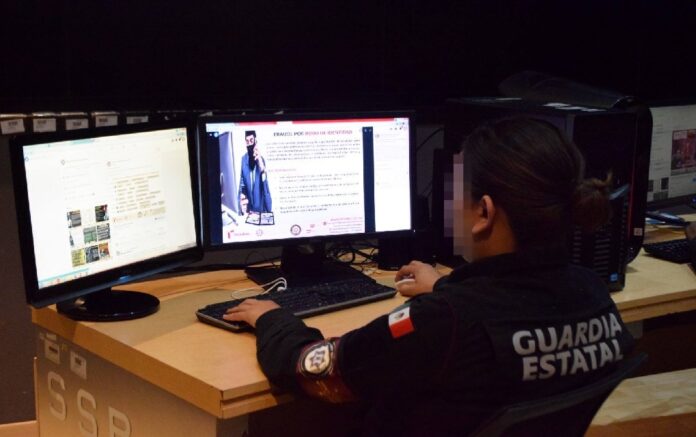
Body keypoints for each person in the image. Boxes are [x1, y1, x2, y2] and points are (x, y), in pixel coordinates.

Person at [224, 118, 635, 436]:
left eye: (455, 190)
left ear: (484, 213)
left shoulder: (442, 321)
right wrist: (444, 286)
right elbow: (502, 312)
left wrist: (272, 319)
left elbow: (315, 370)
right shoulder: (592, 292)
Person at [238, 130, 272, 214]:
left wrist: (262, 168)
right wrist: (241, 198)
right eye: (247, 141)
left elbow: (265, 187)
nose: (249, 143)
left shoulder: (261, 159)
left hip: (261, 210)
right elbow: (242, 184)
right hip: (249, 211)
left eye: (251, 140)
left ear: (255, 141)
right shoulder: (243, 160)